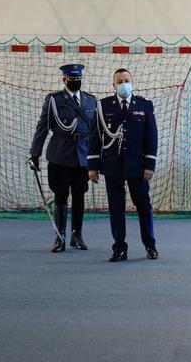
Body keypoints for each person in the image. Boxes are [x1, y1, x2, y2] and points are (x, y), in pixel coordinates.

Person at [87, 68, 159, 262]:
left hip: (138, 166)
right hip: (112, 165)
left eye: (126, 80)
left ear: (132, 82)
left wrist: (149, 165)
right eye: (119, 81)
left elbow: (151, 136)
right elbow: (94, 137)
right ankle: (119, 248)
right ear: (113, 85)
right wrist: (92, 166)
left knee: (143, 206)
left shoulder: (144, 105)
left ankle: (150, 245)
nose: (123, 84)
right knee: (116, 208)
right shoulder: (103, 106)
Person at [29, 64, 97, 253]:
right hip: (60, 155)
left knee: (79, 195)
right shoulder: (54, 100)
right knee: (61, 196)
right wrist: (34, 154)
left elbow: (96, 132)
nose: (75, 83)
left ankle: (77, 235)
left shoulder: (91, 101)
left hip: (83, 156)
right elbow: (43, 126)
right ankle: (61, 237)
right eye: (71, 80)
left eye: (78, 80)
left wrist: (97, 158)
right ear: (64, 80)